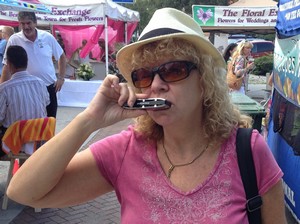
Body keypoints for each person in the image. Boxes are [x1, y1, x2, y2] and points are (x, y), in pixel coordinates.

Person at [6, 8, 286, 223]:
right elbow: (22, 192)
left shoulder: (247, 150)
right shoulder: (127, 150)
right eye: (143, 76)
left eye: (173, 70)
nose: (156, 85)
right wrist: (88, 120)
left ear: (205, 83)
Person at [1, 11, 66, 118]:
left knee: (50, 122)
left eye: (28, 23)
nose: (26, 26)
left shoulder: (47, 37)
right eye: (22, 23)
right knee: (29, 124)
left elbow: (62, 56)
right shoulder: (14, 39)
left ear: (35, 23)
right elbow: (7, 66)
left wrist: (61, 77)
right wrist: (2, 89)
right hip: (25, 90)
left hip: (48, 87)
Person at [0, 45, 50, 159]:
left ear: (9, 65)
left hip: (16, 141)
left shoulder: (4, 89)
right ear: (26, 62)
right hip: (40, 139)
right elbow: (46, 104)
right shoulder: (40, 83)